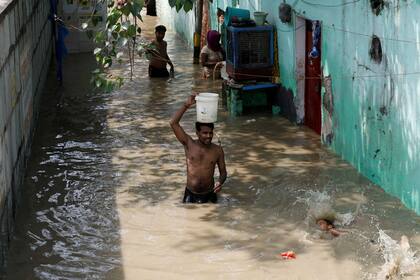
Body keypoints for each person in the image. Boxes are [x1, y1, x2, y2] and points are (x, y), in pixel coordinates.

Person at [170, 93, 227, 203]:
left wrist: (220, 182)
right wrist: (186, 105)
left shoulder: (217, 150)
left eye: (211, 133)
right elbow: (173, 123)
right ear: (197, 133)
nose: (209, 136)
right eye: (205, 133)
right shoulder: (188, 144)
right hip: (190, 194)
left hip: (210, 193)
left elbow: (223, 173)